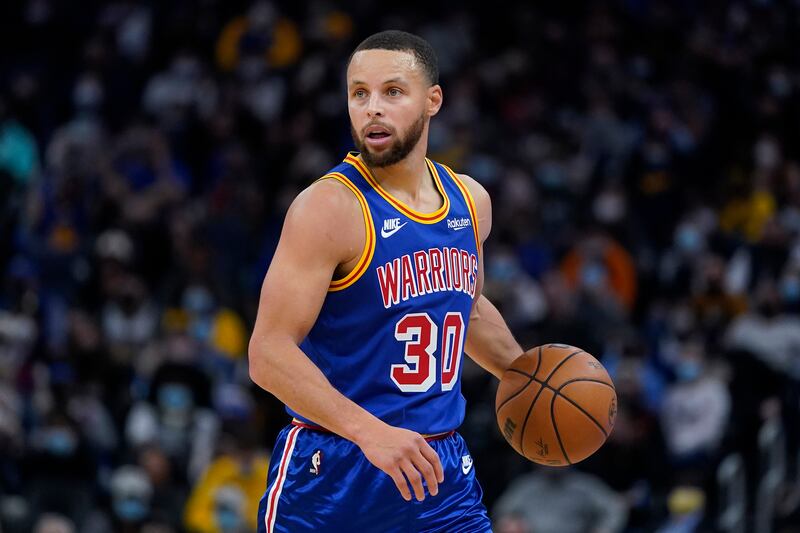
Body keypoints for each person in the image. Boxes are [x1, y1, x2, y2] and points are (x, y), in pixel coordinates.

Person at [248, 30, 522, 532]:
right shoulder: (328, 208)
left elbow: (468, 309)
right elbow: (268, 353)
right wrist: (369, 432)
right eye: (360, 94)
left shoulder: (469, 201)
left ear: (432, 100)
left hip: (439, 471)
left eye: (392, 92)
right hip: (335, 468)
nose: (373, 108)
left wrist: (528, 375)